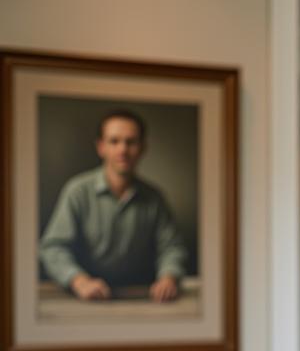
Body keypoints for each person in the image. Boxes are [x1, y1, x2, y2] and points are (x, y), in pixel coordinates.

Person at [39, 110, 188, 302]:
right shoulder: (77, 191)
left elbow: (172, 247)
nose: (123, 150)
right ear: (101, 147)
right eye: (114, 141)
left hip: (139, 298)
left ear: (143, 148)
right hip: (86, 298)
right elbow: (53, 248)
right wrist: (79, 281)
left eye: (131, 142)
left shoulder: (154, 198)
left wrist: (169, 277)